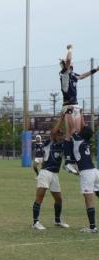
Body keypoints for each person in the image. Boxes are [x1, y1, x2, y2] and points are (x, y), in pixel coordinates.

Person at [60, 44, 99, 174]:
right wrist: (70, 49)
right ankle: (68, 161)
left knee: (77, 132)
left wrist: (96, 69)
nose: (70, 64)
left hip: (75, 106)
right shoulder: (64, 74)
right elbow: (69, 60)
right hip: (69, 106)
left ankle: (75, 160)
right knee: (70, 132)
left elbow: (83, 76)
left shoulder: (73, 75)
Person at [32, 114, 68, 230]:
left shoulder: (62, 145)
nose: (60, 135)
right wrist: (62, 118)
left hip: (55, 175)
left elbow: (68, 135)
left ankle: (57, 220)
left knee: (59, 199)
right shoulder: (49, 143)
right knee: (40, 197)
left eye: (61, 134)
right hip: (45, 173)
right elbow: (53, 132)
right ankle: (35, 222)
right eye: (59, 134)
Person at [71, 115, 99, 233]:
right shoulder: (86, 140)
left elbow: (72, 128)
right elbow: (84, 128)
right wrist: (81, 114)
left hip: (87, 173)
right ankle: (92, 226)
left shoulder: (77, 140)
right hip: (95, 171)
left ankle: (92, 227)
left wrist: (70, 114)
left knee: (89, 199)